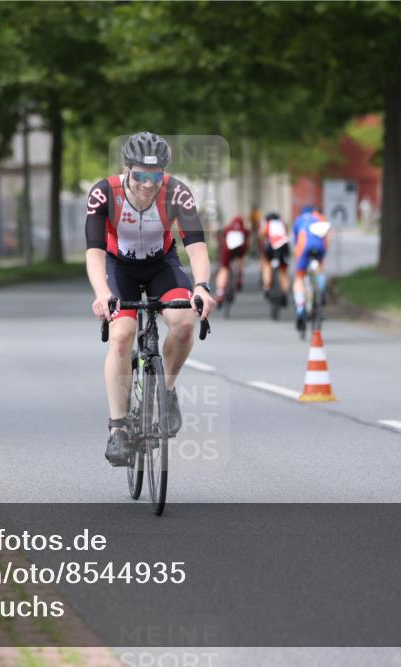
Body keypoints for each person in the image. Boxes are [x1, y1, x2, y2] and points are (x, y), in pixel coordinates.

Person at [85, 131, 216, 466]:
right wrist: (102, 295)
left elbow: (197, 247)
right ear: (126, 169)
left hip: (162, 265)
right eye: (141, 175)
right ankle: (118, 428)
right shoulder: (104, 193)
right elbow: (95, 254)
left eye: (155, 176)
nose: (147, 184)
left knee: (185, 322)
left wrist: (202, 286)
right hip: (119, 269)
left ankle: (167, 390)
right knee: (122, 336)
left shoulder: (177, 193)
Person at [291, 205, 332, 334]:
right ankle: (321, 293)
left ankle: (300, 308)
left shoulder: (298, 220)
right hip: (319, 246)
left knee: (299, 278)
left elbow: (297, 242)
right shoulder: (320, 218)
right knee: (319, 269)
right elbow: (326, 238)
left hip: (304, 246)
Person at [215, 215, 250, 304]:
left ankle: (220, 292)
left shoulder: (228, 228)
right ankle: (239, 276)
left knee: (224, 269)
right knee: (240, 259)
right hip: (240, 249)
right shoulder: (244, 230)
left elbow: (220, 237)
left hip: (227, 249)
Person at [259, 211, 291, 303]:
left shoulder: (268, 224)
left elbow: (261, 235)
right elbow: (286, 234)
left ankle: (267, 287)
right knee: (283, 271)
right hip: (284, 247)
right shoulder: (282, 224)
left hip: (271, 248)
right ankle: (285, 293)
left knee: (267, 265)